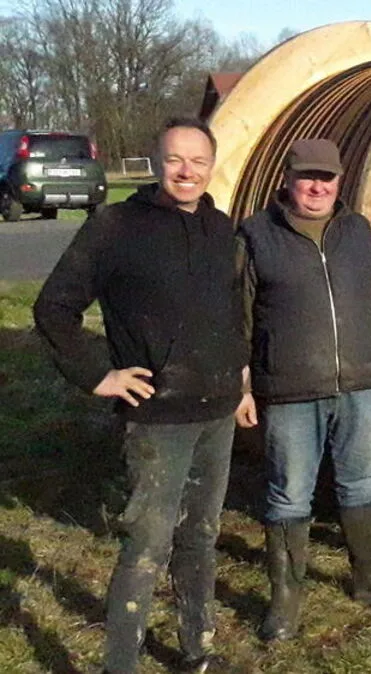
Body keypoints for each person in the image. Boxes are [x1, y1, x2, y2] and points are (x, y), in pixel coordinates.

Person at [33, 118, 244, 674]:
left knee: (200, 538)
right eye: (175, 159)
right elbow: (54, 309)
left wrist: (240, 378)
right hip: (157, 420)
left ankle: (197, 650)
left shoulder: (222, 230)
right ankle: (119, 665)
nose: (186, 171)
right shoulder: (115, 228)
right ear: (155, 163)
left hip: (217, 412)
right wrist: (99, 374)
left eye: (197, 161)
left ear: (211, 165)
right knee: (147, 547)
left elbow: (233, 313)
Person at [234, 139, 371, 642]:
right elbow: (238, 320)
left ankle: (369, 575)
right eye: (307, 177)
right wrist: (241, 385)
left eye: (327, 179)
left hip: (359, 383)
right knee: (289, 494)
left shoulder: (356, 231)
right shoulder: (256, 235)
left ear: (339, 182)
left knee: (361, 481)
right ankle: (285, 600)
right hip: (290, 389)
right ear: (287, 181)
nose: (317, 187)